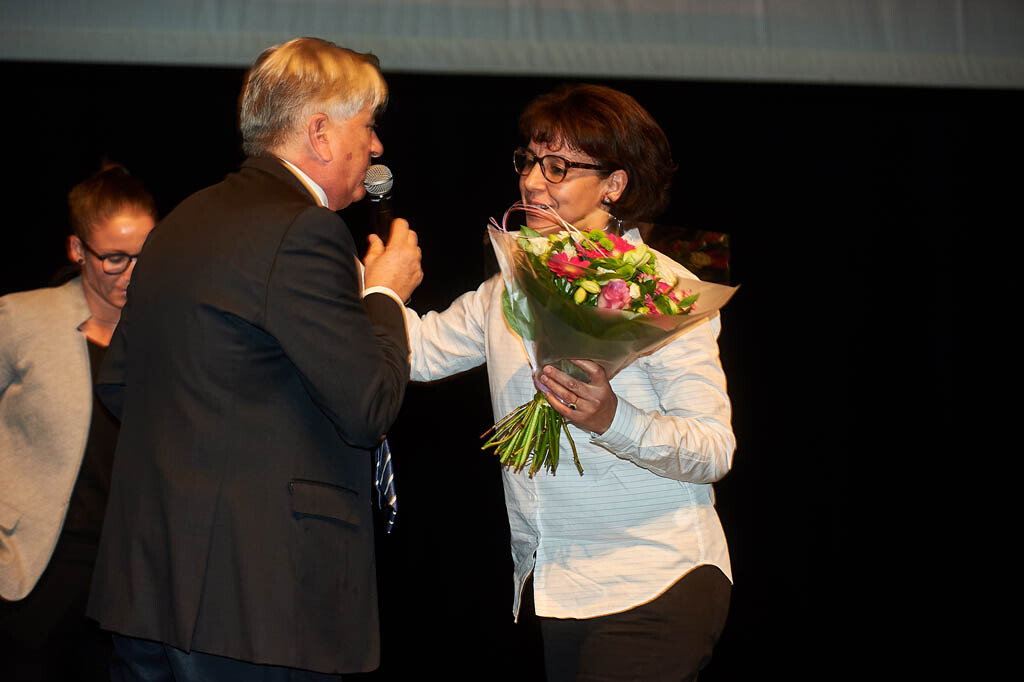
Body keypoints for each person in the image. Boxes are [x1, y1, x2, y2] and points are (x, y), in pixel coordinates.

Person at [85, 37, 422, 680]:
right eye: (368, 126)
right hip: (253, 604)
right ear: (320, 134)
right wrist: (384, 293)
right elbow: (369, 407)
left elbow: (120, 384)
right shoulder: (306, 230)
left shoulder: (182, 221)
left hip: (150, 589)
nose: (376, 147)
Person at [406, 84, 734, 682]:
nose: (533, 181)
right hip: (558, 589)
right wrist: (369, 288)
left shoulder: (663, 292)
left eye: (557, 167)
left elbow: (713, 449)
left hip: (658, 579)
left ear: (614, 184)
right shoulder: (508, 285)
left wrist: (613, 419)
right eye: (528, 161)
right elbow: (419, 353)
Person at [0, 164, 158, 680]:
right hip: (33, 569)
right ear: (77, 250)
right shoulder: (20, 318)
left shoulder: (166, 335)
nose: (131, 273)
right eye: (115, 258)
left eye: (145, 256)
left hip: (128, 577)